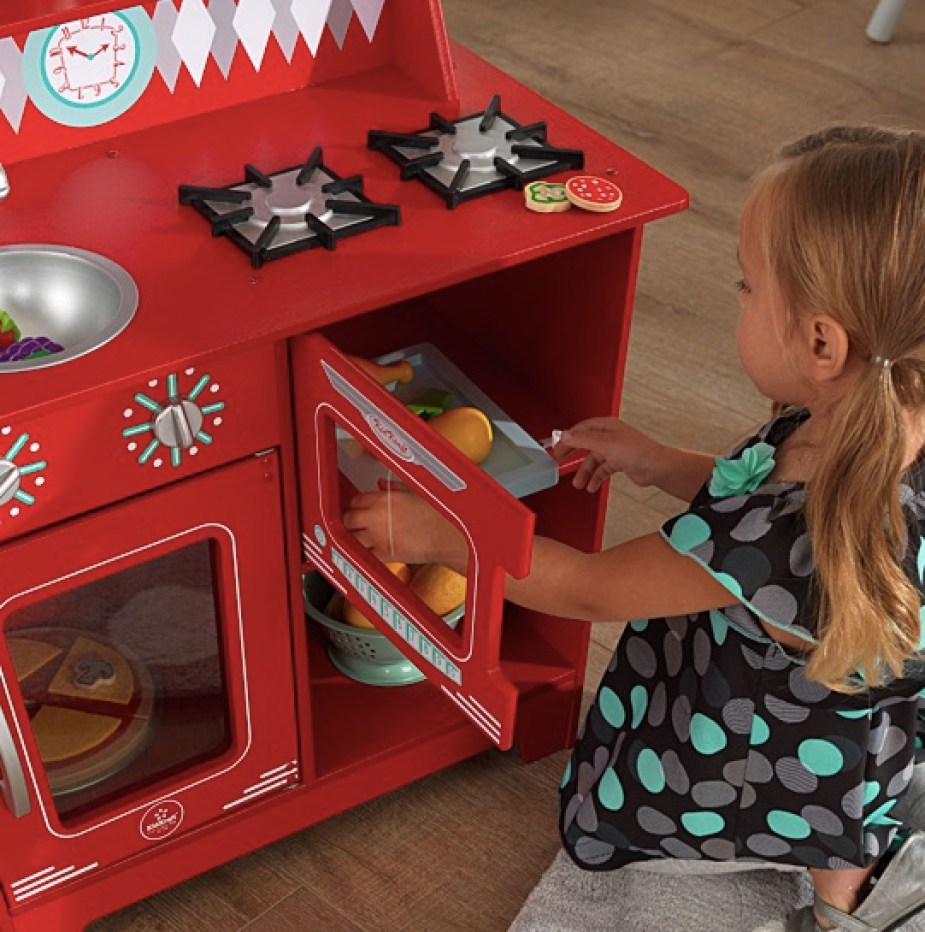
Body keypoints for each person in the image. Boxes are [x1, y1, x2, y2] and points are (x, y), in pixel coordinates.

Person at [343, 125, 925, 932]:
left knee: (808, 803)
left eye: (745, 286)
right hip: (855, 721)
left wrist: (447, 536)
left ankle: (840, 908)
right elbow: (741, 498)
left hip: (769, 738)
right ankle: (845, 887)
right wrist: (662, 462)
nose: (739, 298)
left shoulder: (774, 540)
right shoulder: (875, 425)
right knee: (848, 790)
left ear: (822, 343)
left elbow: (589, 589)